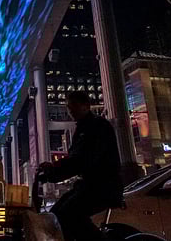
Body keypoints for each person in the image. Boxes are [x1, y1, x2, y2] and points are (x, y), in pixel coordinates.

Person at [39, 91, 123, 241]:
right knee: (56, 214)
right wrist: (52, 174)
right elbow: (75, 160)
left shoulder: (97, 126)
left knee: (69, 215)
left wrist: (53, 171)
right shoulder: (83, 128)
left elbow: (81, 159)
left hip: (103, 186)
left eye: (74, 107)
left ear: (86, 106)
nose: (71, 111)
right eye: (69, 108)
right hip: (89, 186)